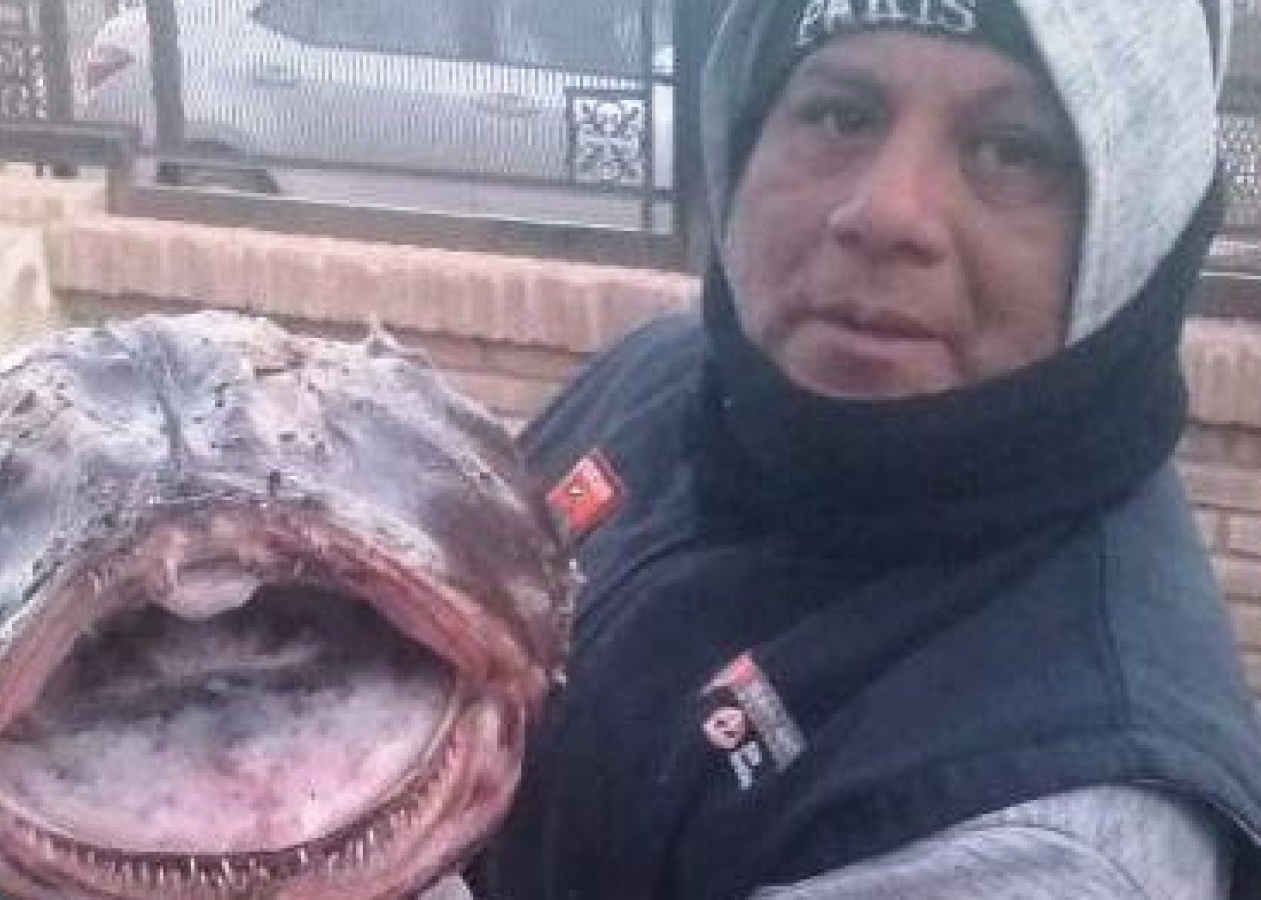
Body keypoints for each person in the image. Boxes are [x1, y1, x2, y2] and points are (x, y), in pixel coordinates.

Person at [469, 0, 1261, 898]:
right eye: (841, 115)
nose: (885, 213)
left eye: (1010, 152)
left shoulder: (1040, 837)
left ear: (1134, 232)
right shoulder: (662, 377)